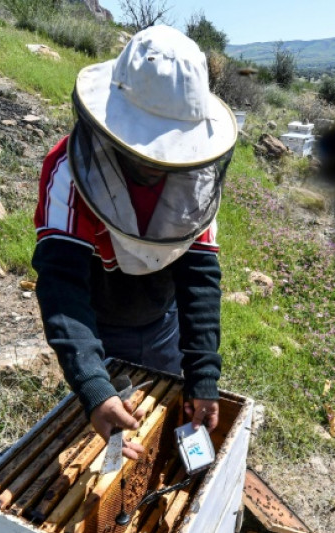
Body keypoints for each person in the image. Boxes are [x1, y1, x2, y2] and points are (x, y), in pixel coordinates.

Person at [31, 25, 237, 460]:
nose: (161, 164)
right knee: (95, 435)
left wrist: (202, 375)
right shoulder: (68, 170)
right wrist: (92, 382)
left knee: (151, 431)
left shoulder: (196, 183)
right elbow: (62, 287)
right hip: (98, 325)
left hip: (164, 322)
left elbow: (200, 277)